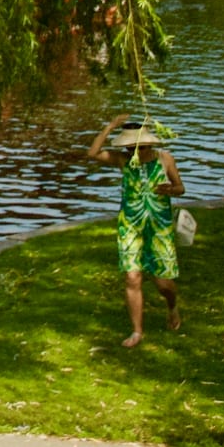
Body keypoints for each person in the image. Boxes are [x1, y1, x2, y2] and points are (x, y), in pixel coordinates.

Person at [88, 115, 184, 348]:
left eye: (138, 146)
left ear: (148, 144)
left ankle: (172, 306)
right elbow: (92, 153)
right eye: (131, 147)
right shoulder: (123, 161)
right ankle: (137, 331)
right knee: (132, 277)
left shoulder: (165, 159)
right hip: (130, 225)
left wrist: (170, 189)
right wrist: (110, 126)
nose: (135, 151)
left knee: (163, 284)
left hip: (159, 226)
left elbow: (181, 188)